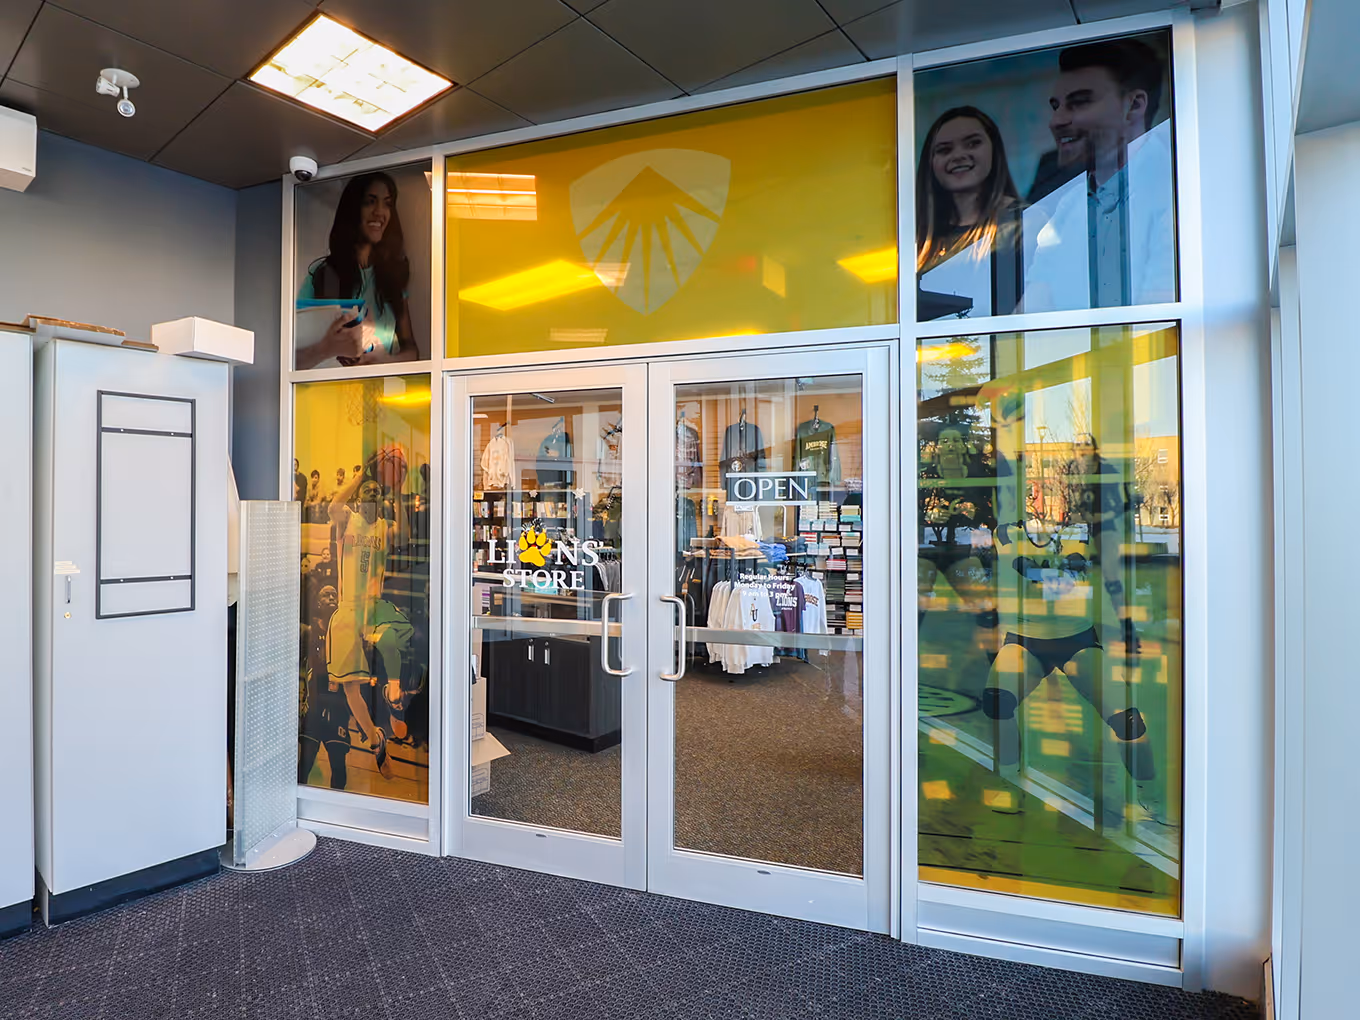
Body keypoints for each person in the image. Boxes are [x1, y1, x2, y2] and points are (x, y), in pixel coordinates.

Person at [982, 426, 1154, 784]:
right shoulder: (1004, 533)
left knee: (1127, 717)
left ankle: (1148, 790)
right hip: (1025, 639)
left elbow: (1109, 577)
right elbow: (1008, 576)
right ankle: (1008, 779)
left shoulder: (1086, 530)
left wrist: (1126, 624)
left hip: (1076, 638)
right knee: (997, 700)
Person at [1021, 39, 1175, 311]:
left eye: (1078, 103)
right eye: (1056, 106)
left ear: (1134, 105)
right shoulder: (1068, 206)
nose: (1056, 121)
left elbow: (1162, 325)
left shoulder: (1177, 189)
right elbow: (1029, 316)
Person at [325, 447, 415, 780]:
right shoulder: (347, 519)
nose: (373, 492)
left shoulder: (386, 526)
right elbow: (334, 504)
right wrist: (361, 475)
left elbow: (405, 535)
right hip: (349, 609)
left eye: (377, 489)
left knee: (399, 637)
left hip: (374, 607)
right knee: (352, 688)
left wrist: (400, 491)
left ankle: (394, 697)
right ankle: (376, 738)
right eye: (368, 489)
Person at [296, 172, 421, 369]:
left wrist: (385, 361)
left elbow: (412, 351)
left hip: (377, 392)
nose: (380, 212)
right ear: (353, 209)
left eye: (387, 203)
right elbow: (291, 358)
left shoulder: (392, 276)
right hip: (325, 390)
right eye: (370, 202)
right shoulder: (322, 273)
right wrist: (326, 348)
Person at [916, 106, 1023, 319]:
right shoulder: (917, 239)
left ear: (995, 150)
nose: (958, 156)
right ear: (931, 163)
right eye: (944, 150)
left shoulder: (1024, 222)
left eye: (973, 143)